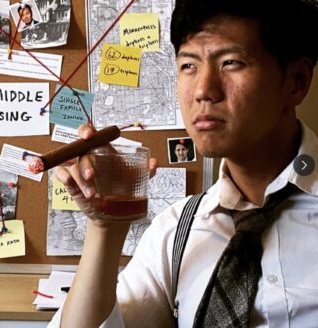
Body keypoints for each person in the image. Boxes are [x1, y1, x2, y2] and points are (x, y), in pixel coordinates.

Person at [49, 0, 318, 327]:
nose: (203, 90)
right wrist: (105, 228)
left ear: (297, 82)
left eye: (231, 62)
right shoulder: (178, 230)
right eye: (188, 65)